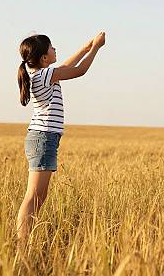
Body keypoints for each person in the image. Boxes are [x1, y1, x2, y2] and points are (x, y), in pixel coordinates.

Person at [16, 31, 106, 242]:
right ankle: (21, 244)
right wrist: (96, 48)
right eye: (51, 47)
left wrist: (86, 47)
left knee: (38, 196)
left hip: (44, 138)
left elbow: (65, 67)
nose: (55, 49)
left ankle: (25, 240)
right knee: (34, 196)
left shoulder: (41, 73)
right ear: (44, 58)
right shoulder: (44, 75)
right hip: (43, 138)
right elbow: (79, 71)